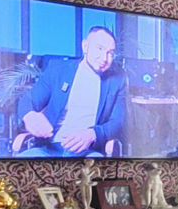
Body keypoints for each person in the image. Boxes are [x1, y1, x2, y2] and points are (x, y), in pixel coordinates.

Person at [16, 26, 127, 157]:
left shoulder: (117, 80)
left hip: (88, 151)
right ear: (85, 46)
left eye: (110, 53)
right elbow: (28, 100)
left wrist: (93, 134)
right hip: (49, 148)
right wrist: (29, 116)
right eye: (100, 49)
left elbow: (118, 122)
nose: (104, 58)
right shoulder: (58, 70)